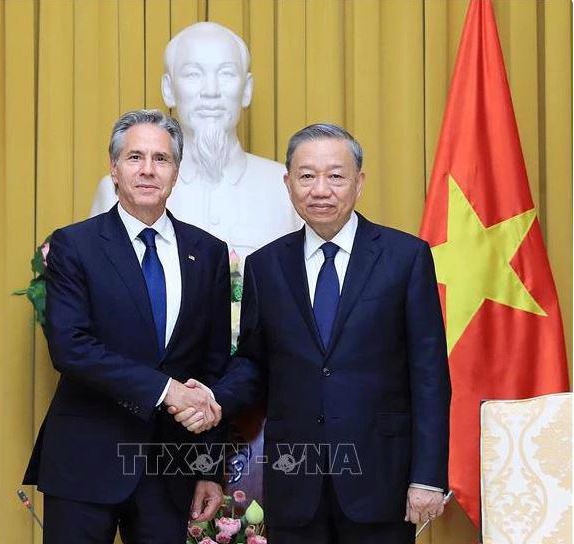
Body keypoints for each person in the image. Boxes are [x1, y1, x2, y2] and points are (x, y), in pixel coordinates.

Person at [171, 124, 451, 543]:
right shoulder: (265, 267)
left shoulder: (405, 258)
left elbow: (429, 375)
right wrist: (214, 399)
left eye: (336, 176)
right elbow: (253, 364)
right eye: (307, 176)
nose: (321, 189)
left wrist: (427, 477)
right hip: (294, 483)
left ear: (360, 182)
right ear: (288, 184)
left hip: (380, 480)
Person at [23, 110, 228, 544]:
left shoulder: (208, 253)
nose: (148, 170)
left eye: (161, 158)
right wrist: (166, 389)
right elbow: (71, 347)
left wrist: (210, 468)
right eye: (135, 157)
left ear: (176, 172)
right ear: (114, 168)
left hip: (168, 469)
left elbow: (211, 366)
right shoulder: (74, 245)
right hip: (85, 462)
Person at [89, 22, 301, 261]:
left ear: (246, 89)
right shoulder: (116, 190)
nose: (211, 91)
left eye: (226, 74)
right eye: (193, 74)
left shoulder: (287, 187)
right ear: (169, 89)